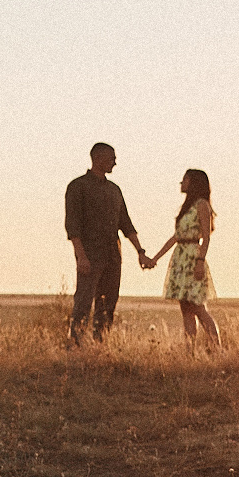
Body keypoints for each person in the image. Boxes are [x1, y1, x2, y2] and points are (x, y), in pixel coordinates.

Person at [64, 143, 140, 344]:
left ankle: (100, 345)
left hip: (113, 255)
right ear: (97, 158)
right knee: (83, 301)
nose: (115, 162)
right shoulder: (78, 187)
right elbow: (73, 226)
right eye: (111, 158)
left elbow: (126, 223)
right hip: (90, 254)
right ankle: (75, 345)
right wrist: (81, 256)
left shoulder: (114, 190)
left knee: (108, 303)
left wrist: (140, 251)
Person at [146, 168, 221, 350]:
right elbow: (176, 237)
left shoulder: (202, 205)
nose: (182, 183)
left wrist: (200, 261)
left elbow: (206, 236)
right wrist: (155, 258)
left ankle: (218, 349)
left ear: (193, 182)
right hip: (180, 258)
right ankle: (190, 351)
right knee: (186, 308)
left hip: (193, 257)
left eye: (185, 180)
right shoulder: (187, 207)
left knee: (198, 307)